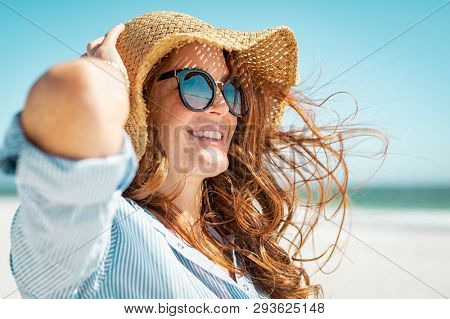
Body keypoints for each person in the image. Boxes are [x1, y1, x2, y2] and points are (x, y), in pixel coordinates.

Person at [0, 11, 386, 299]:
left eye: (230, 90)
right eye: (196, 85)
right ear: (141, 101)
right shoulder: (97, 235)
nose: (221, 106)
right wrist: (104, 79)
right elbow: (70, 93)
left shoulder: (236, 244)